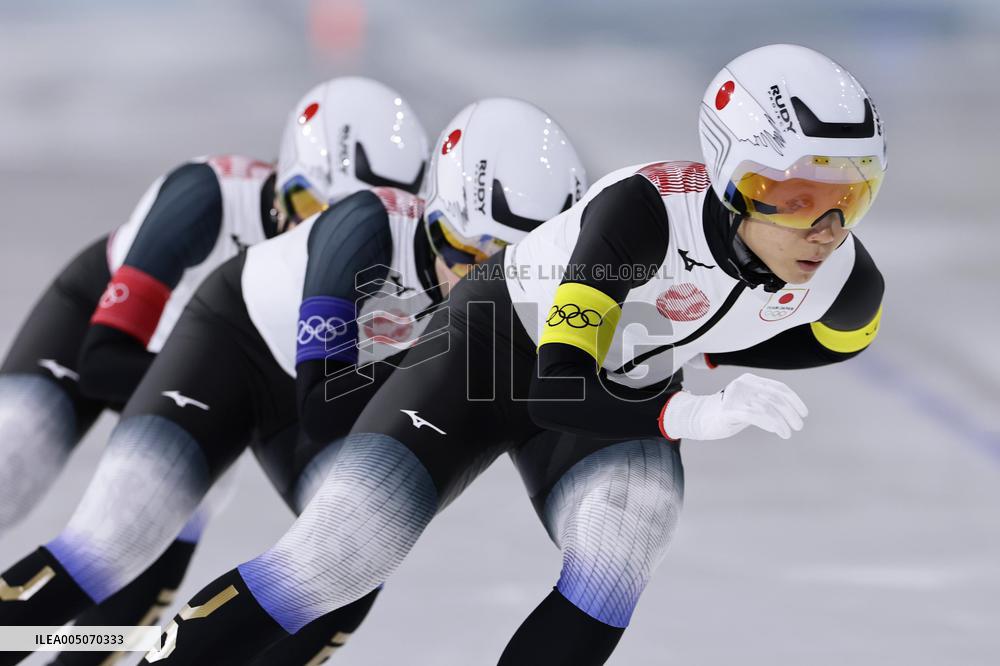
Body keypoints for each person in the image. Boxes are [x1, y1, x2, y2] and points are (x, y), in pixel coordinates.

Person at [150, 43, 887, 665]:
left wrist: (709, 346)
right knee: (338, 557)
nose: (824, 230)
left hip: (624, 378)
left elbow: (822, 339)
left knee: (618, 556)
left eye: (849, 199)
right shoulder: (640, 217)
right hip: (492, 350)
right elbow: (558, 390)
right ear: (733, 182)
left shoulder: (849, 290)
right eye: (790, 195)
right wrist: (695, 408)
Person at [1, 98, 585, 665]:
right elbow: (323, 407)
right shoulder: (359, 225)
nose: (488, 288)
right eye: (473, 260)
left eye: (519, 271)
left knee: (347, 564)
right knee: (110, 548)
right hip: (231, 351)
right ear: (435, 222)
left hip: (315, 381)